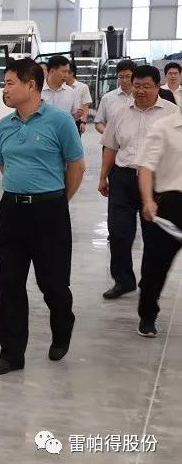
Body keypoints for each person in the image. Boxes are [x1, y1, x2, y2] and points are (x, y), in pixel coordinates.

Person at [0, 58, 85, 377]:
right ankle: (11, 353)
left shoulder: (60, 121)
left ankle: (63, 324)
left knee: (52, 282)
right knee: (10, 283)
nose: (5, 89)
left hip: (49, 212)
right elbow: (4, 164)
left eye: (9, 83)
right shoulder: (4, 126)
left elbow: (76, 166)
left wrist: (57, 201)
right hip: (11, 211)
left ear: (31, 85)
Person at [98, 64, 177, 300]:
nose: (141, 91)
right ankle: (123, 280)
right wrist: (103, 177)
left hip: (156, 182)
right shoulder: (120, 113)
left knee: (153, 237)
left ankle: (148, 281)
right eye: (137, 86)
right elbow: (111, 147)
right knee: (118, 233)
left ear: (158, 87)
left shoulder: (172, 113)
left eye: (147, 86)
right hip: (122, 178)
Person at [136, 108, 182, 337]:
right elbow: (146, 166)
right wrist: (148, 200)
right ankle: (147, 315)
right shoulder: (164, 127)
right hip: (171, 206)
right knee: (156, 267)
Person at [94, 59, 136, 135]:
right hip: (112, 141)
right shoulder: (107, 98)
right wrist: (109, 135)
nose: (124, 80)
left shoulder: (141, 97)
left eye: (128, 76)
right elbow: (98, 123)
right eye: (121, 77)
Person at [41, 55, 86, 126]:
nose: (66, 75)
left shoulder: (70, 92)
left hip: (63, 131)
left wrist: (78, 115)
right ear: (52, 71)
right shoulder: (37, 90)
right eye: (64, 72)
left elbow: (73, 117)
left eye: (68, 72)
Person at [66, 60, 91, 134]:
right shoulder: (61, 86)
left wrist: (83, 122)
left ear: (71, 73)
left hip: (76, 121)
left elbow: (85, 106)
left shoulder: (83, 87)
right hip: (62, 120)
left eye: (65, 72)